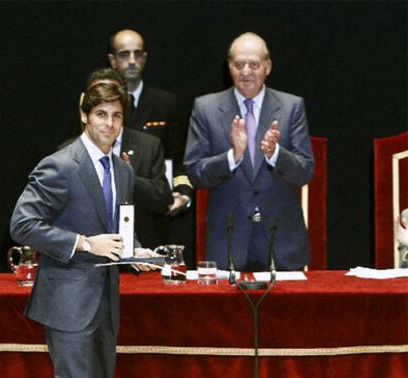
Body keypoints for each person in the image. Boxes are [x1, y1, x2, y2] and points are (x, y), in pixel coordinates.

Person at [10, 83, 156, 378]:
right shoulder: (60, 165)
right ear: (84, 116)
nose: (109, 125)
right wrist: (81, 243)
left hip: (106, 300)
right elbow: (22, 224)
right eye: (101, 116)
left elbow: (116, 233)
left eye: (115, 117)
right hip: (68, 301)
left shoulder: (123, 170)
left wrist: (139, 255)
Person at [184, 32, 314, 271]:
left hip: (281, 241)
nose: (245, 71)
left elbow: (305, 171)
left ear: (267, 67)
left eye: (253, 64)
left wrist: (275, 154)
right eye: (238, 64)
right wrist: (232, 156)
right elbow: (194, 172)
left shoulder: (291, 106)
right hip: (229, 242)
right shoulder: (206, 108)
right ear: (229, 67)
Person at [107, 29, 195, 261]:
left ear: (145, 57)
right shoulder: (97, 105)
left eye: (138, 54)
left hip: (152, 213)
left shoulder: (165, 103)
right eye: (125, 54)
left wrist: (183, 194)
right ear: (112, 60)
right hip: (108, 213)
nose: (132, 61)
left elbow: (178, 157)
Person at [70, 68, 175, 248]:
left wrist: (128, 177)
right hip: (86, 259)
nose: (109, 122)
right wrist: (84, 245)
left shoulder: (148, 145)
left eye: (115, 111)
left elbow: (164, 199)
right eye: (101, 109)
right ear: (85, 110)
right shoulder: (67, 154)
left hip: (138, 255)